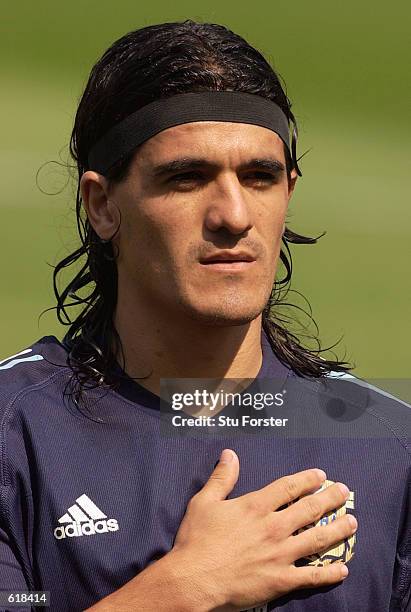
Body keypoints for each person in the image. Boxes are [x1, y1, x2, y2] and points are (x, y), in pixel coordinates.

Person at [0, 19, 410, 612]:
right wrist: (183, 589)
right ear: (103, 205)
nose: (234, 215)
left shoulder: (388, 450)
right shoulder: (17, 437)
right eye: (187, 178)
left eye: (259, 177)